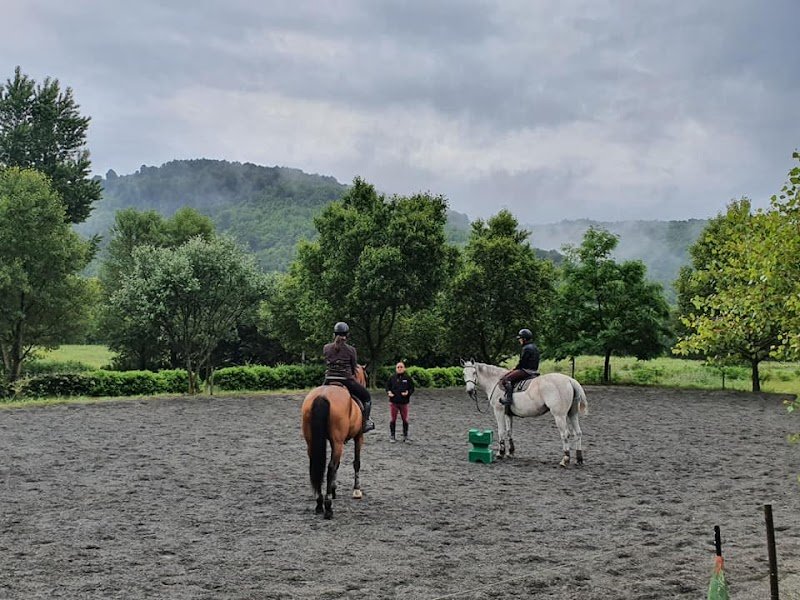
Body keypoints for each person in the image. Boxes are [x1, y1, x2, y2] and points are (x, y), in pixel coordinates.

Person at [323, 321, 375, 432]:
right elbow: (353, 368)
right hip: (346, 380)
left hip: (328, 379)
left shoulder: (326, 348)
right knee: (367, 397)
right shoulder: (351, 350)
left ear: (334, 334)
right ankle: (365, 423)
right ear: (347, 336)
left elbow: (327, 363)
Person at [499, 328, 540, 406]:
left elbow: (522, 363)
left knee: (506, 379)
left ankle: (509, 399)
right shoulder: (534, 347)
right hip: (534, 370)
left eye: (520, 339)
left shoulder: (526, 348)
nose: (519, 340)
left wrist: (514, 369)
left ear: (524, 339)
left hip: (526, 371)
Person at [385, 361, 415, 442]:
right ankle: (392, 436)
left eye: (401, 367)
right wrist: (389, 392)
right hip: (394, 402)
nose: (399, 368)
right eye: (398, 367)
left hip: (404, 402)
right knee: (393, 419)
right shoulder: (392, 378)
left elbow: (412, 388)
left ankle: (405, 436)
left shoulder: (408, 378)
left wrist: (408, 393)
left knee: (405, 419)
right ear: (396, 369)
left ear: (404, 368)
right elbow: (387, 387)